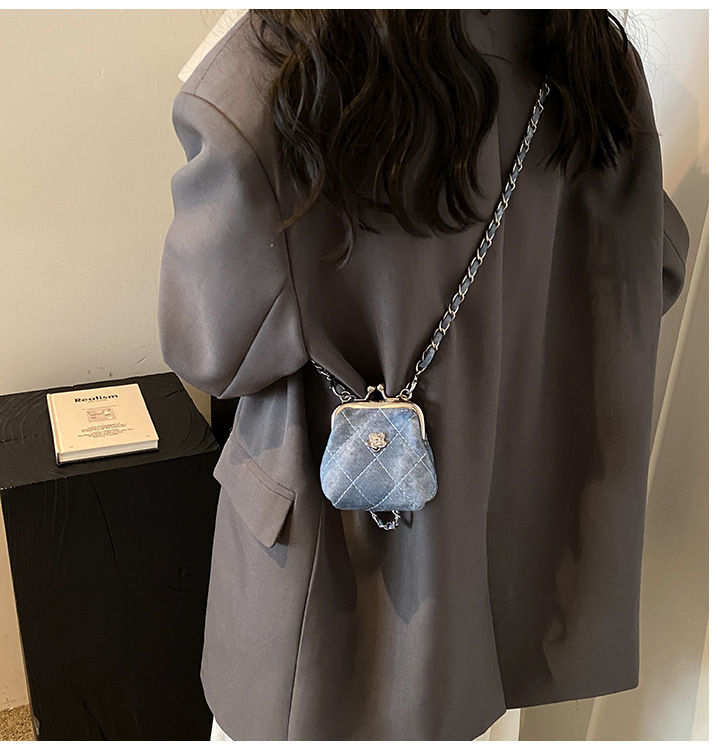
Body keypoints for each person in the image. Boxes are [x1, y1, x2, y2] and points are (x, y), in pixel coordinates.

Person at [158, 10, 689, 741]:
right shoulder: (590, 54)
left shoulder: (280, 71)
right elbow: (649, 273)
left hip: (320, 619)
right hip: (497, 583)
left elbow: (207, 348)